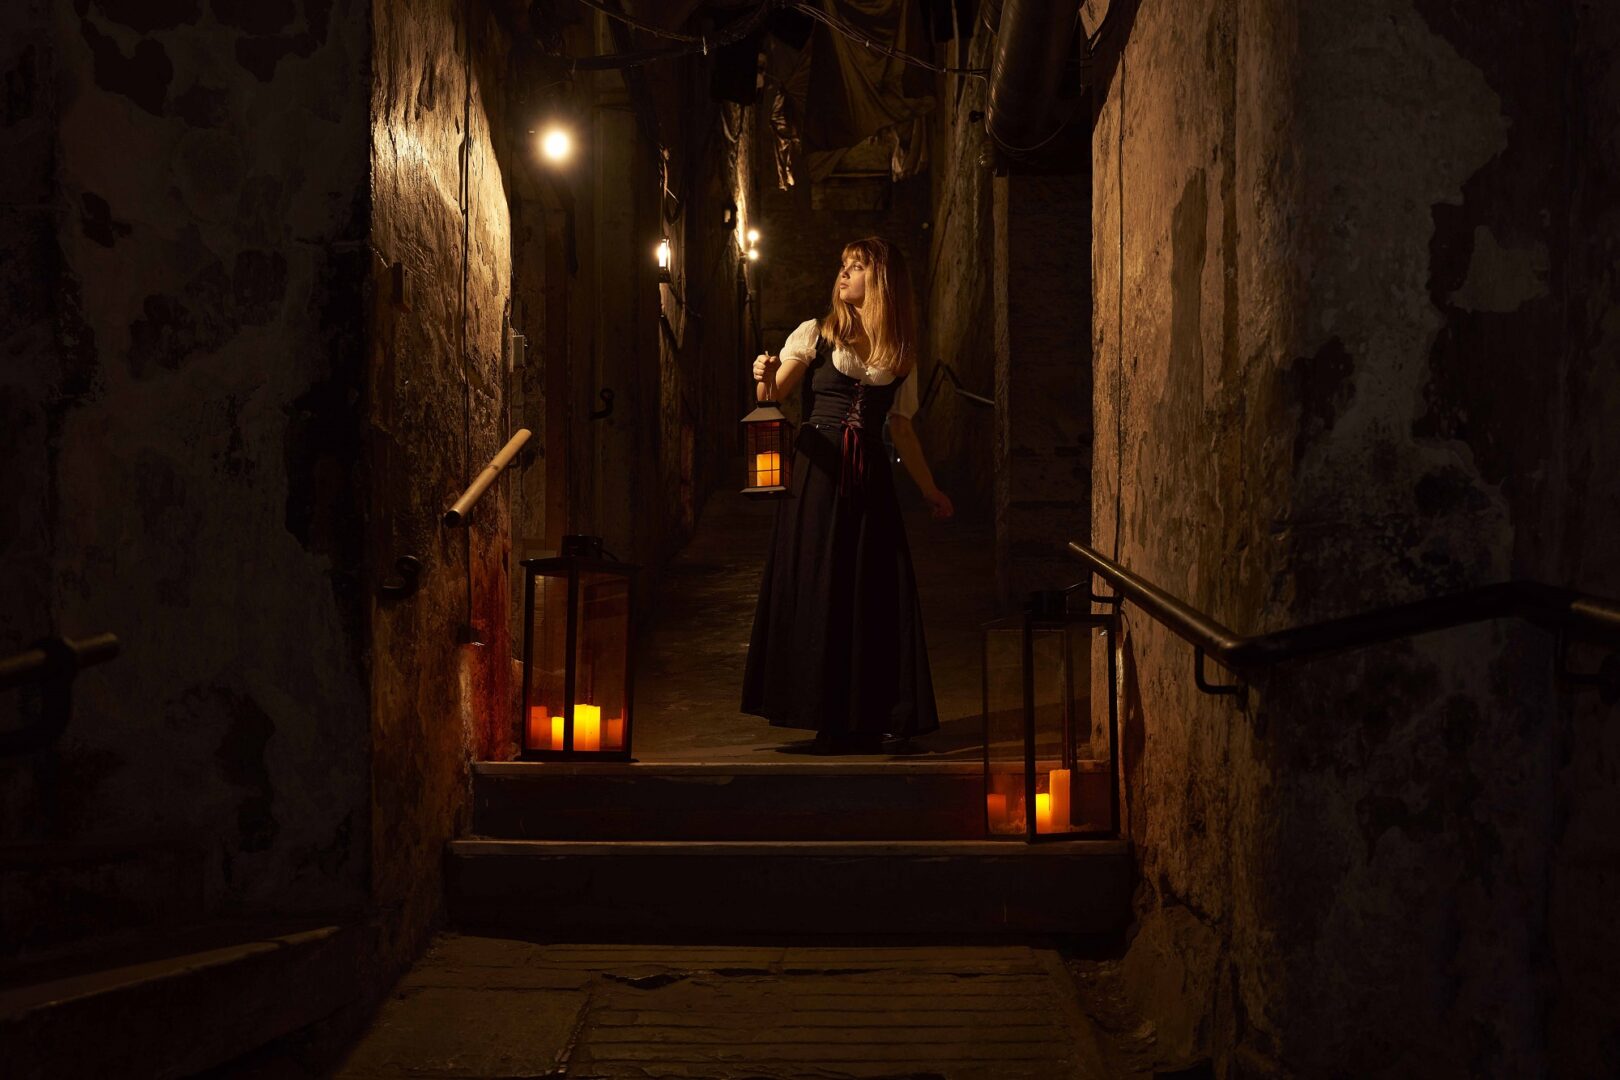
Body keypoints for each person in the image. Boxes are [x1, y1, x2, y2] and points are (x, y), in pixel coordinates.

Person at [740, 237, 954, 753]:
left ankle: (878, 713)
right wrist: (763, 376)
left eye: (856, 267)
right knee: (822, 581)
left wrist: (929, 489)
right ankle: (824, 713)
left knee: (871, 587)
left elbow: (901, 428)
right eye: (843, 265)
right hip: (818, 472)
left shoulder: (899, 356)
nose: (843, 274)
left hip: (869, 478)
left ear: (879, 281)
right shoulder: (815, 334)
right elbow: (774, 395)